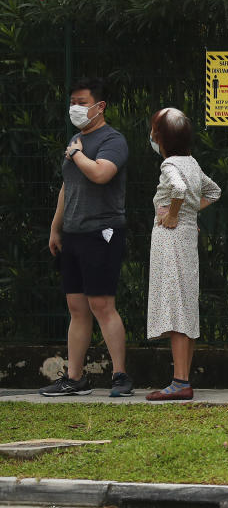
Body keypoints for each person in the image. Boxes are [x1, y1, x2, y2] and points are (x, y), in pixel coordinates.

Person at [42, 77, 134, 397]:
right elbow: (68, 188)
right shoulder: (74, 141)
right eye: (72, 103)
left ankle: (120, 375)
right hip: (74, 233)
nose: (75, 108)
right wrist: (56, 228)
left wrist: (78, 154)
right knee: (77, 307)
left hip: (103, 232)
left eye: (81, 103)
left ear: (100, 106)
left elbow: (100, 173)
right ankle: (75, 378)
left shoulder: (113, 140)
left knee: (101, 304)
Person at [145, 108, 221, 401]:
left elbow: (177, 189)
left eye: (154, 130)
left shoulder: (169, 166)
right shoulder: (192, 162)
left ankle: (179, 382)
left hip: (171, 240)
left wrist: (175, 214)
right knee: (186, 305)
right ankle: (183, 379)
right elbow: (214, 192)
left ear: (161, 139)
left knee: (175, 306)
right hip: (188, 239)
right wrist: (189, 213)